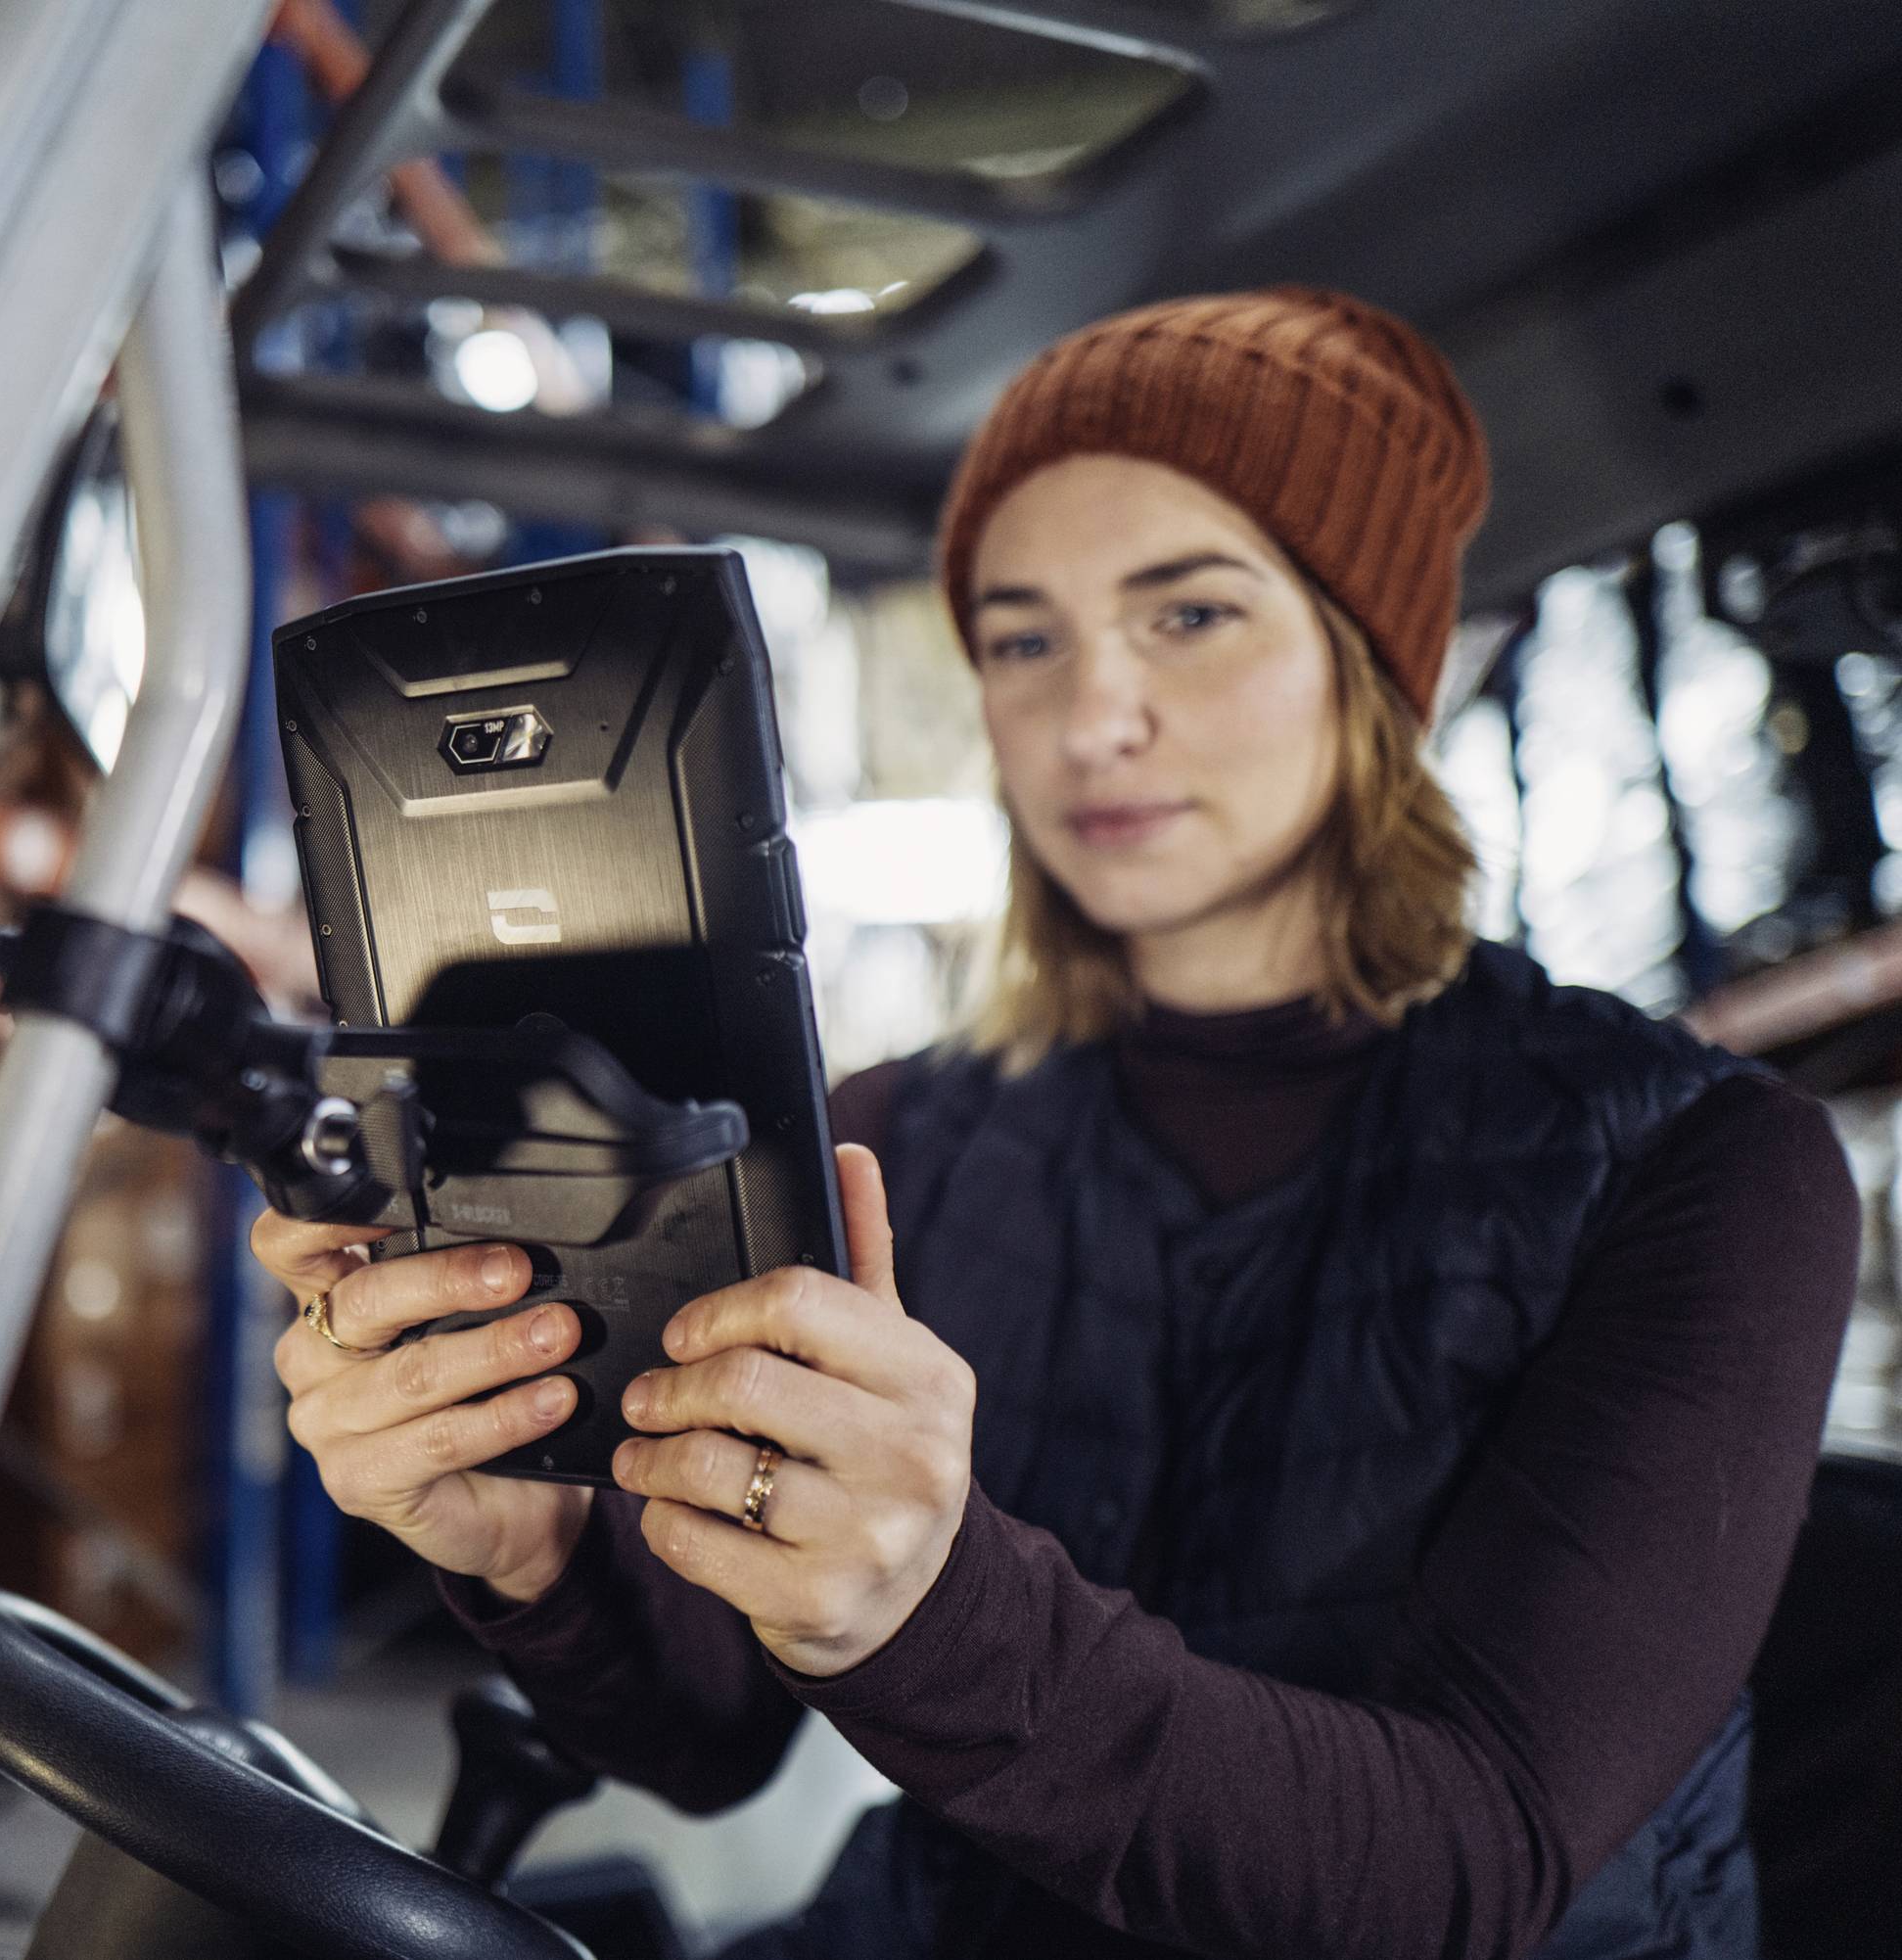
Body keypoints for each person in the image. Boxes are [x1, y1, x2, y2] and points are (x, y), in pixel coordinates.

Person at [253, 288, 1859, 1959]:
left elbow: (1470, 1867)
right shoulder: (901, 1143)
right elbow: (711, 1739)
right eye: (1024, 638)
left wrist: (932, 1604)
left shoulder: (1702, 1168)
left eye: (1192, 616)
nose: (1093, 716)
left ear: (1368, 658)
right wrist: (538, 1557)